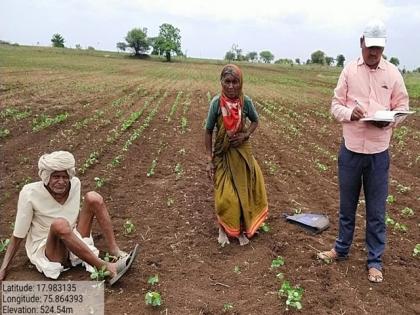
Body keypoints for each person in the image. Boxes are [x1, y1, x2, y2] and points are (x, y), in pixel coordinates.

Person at [317, 20, 410, 283]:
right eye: (370, 47)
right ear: (362, 43)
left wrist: (390, 119)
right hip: (351, 150)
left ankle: (375, 260)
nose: (373, 53)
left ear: (383, 47)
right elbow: (335, 105)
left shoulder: (392, 74)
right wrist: (350, 113)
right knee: (347, 206)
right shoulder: (348, 71)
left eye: (378, 48)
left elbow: (402, 106)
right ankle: (341, 249)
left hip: (379, 153)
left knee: (377, 211)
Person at [0, 151, 138, 285]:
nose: (61, 182)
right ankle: (107, 268)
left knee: (93, 198)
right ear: (46, 177)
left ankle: (114, 250)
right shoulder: (30, 193)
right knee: (59, 224)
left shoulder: (75, 184)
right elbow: (18, 235)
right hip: (49, 250)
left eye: (65, 177)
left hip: (72, 236)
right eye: (56, 177)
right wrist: (3, 268)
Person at [204, 64, 268, 246]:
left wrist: (246, 134)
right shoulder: (216, 103)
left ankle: (241, 230)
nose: (231, 86)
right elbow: (208, 131)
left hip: (242, 153)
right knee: (226, 196)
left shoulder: (245, 102)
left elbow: (255, 121)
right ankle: (222, 228)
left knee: (243, 192)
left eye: (235, 82)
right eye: (227, 82)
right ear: (221, 82)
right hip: (223, 154)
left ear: (241, 83)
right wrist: (209, 160)